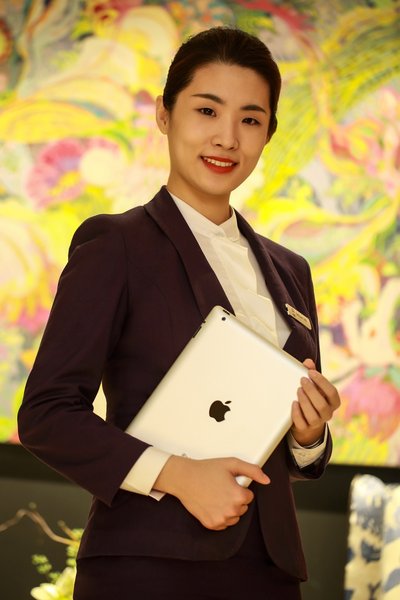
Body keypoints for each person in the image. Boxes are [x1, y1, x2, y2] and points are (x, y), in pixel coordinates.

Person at [18, 27, 340, 599]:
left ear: (267, 133)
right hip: (147, 567)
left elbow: (280, 450)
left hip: (269, 572)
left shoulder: (291, 269)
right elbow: (47, 414)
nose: (227, 138)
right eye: (207, 110)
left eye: (250, 119)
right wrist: (178, 476)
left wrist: (308, 436)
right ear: (164, 115)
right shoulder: (115, 244)